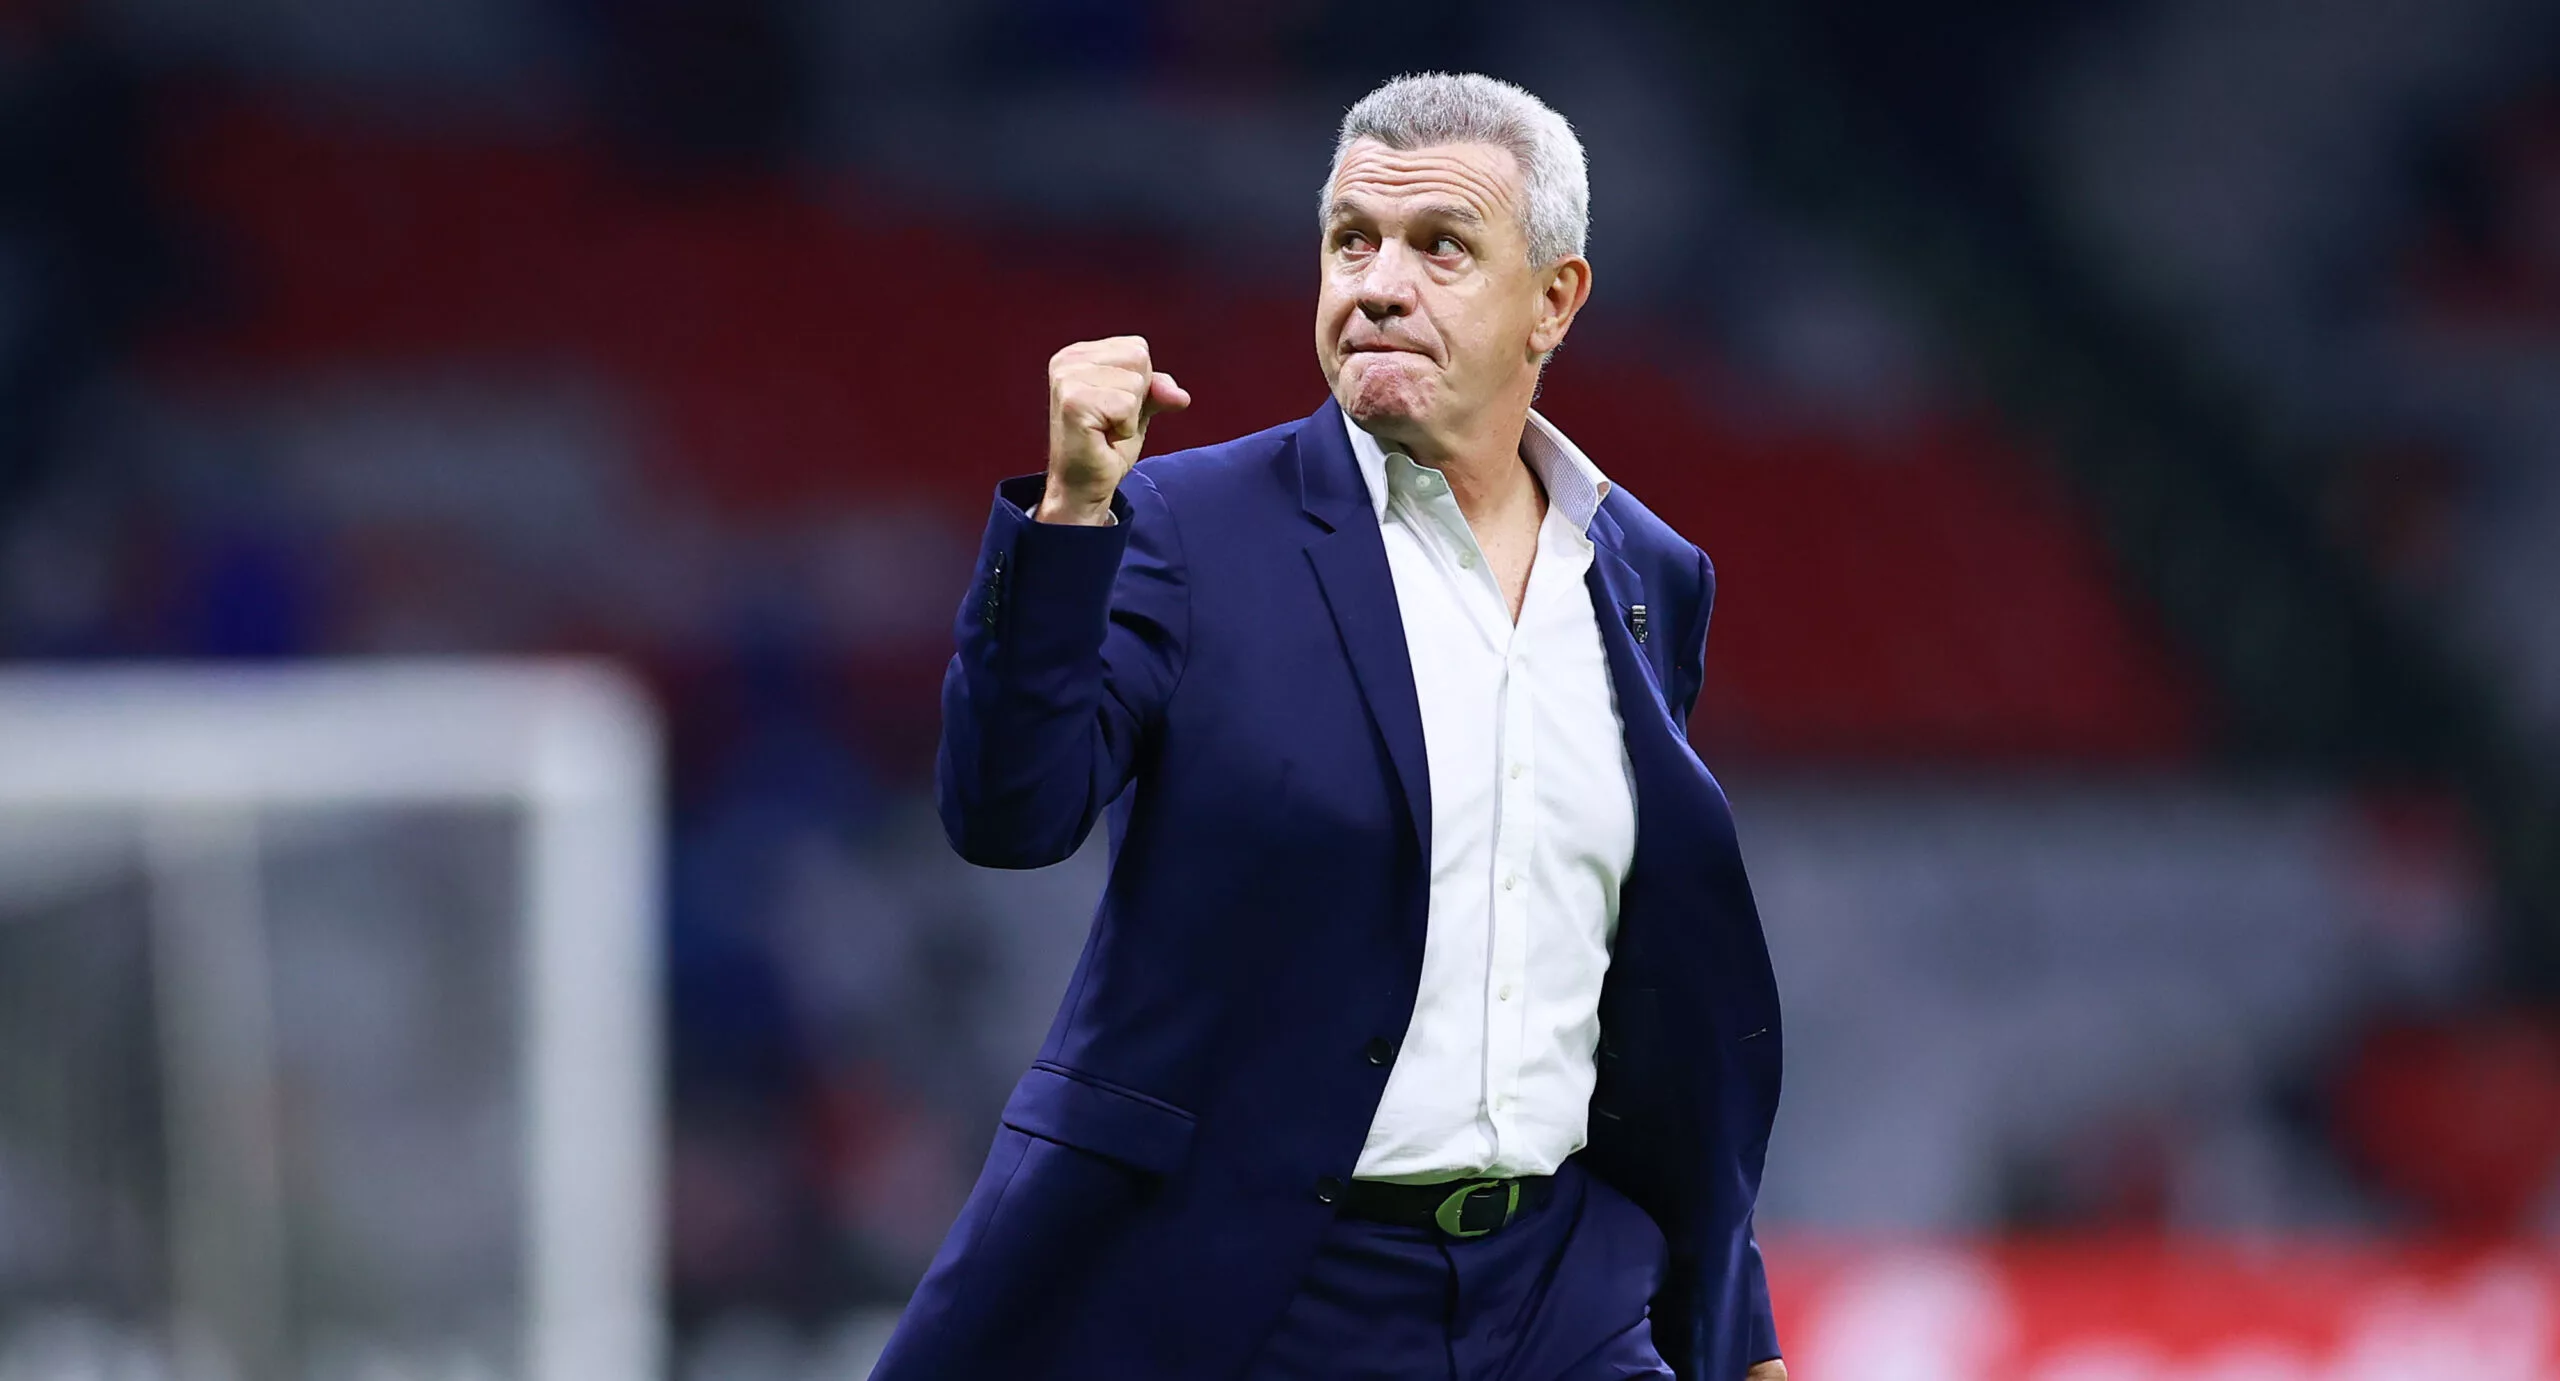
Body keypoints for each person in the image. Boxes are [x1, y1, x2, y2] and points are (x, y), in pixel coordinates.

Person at [871, 72, 1786, 1381]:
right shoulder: (1185, 530)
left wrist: (1730, 1322)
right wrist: (1070, 516)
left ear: (1554, 300)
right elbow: (1007, 813)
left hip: (1558, 1297)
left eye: (1441, 247)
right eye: (1352, 241)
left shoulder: (1645, 571)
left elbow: (1647, 991)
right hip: (1266, 1292)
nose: (1380, 284)